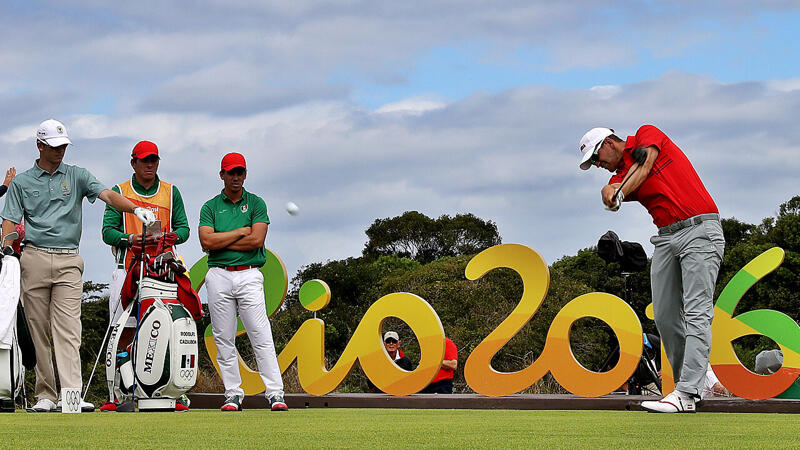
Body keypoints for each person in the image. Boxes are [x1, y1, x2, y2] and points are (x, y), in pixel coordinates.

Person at [0, 119, 156, 413]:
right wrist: (7, 247)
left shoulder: (77, 175)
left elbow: (107, 195)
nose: (61, 151)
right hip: (32, 257)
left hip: (69, 258)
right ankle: (45, 394)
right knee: (36, 328)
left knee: (69, 327)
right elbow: (9, 219)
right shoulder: (21, 182)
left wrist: (135, 208)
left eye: (64, 146)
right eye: (55, 147)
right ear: (40, 146)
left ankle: (71, 393)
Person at [578, 125, 724, 413]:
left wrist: (617, 191)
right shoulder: (619, 176)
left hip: (699, 230)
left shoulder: (646, 134)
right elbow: (611, 190)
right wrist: (607, 192)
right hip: (666, 238)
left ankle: (686, 392)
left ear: (609, 143)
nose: (598, 164)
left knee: (696, 312)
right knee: (665, 315)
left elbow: (644, 165)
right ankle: (698, 382)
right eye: (593, 163)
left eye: (597, 157)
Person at [99, 140, 191, 412]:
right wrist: (130, 239)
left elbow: (184, 228)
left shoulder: (171, 192)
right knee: (123, 332)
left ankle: (170, 392)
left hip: (163, 270)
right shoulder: (120, 191)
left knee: (167, 329)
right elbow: (107, 232)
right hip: (128, 268)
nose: (150, 164)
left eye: (154, 160)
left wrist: (176, 236)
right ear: (134, 163)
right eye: (144, 160)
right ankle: (119, 393)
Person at [198, 152, 287, 412]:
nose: (235, 177)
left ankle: (275, 392)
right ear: (222, 175)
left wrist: (222, 240)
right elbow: (206, 242)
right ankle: (233, 393)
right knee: (223, 336)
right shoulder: (210, 206)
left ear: (245, 174)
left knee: (260, 333)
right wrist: (239, 232)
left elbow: (256, 240)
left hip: (249, 273)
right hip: (218, 274)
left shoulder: (256, 203)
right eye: (231, 172)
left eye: (240, 172)